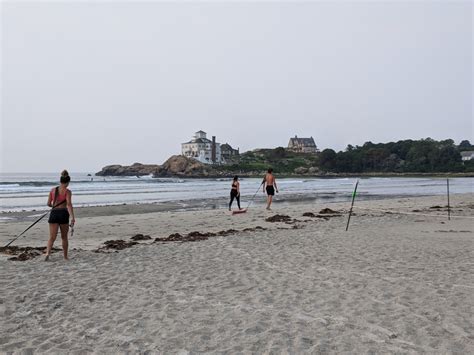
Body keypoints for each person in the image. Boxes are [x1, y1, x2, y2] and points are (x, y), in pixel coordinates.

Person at [45, 170, 75, 261]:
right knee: (64, 237)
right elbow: (69, 204)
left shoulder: (53, 190)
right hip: (63, 214)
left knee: (52, 237)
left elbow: (48, 203)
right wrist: (72, 217)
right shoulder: (67, 191)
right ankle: (65, 257)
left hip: (54, 213)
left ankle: (47, 253)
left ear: (60, 180)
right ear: (68, 182)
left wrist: (54, 206)